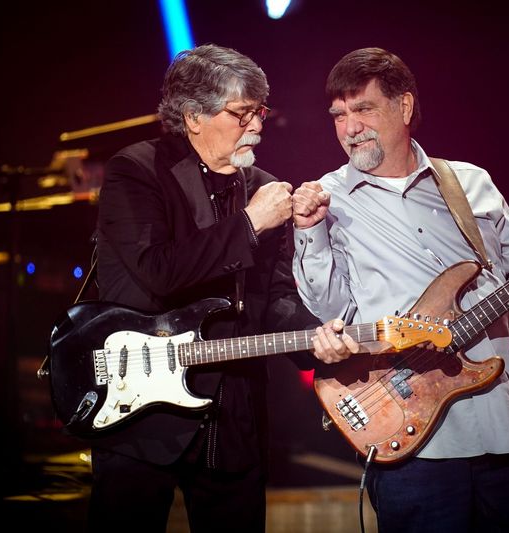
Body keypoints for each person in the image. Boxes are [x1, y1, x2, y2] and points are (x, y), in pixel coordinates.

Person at [291, 47, 509, 532]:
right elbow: (327, 308)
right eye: (339, 115)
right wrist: (309, 231)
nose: (349, 128)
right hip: (410, 440)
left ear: (405, 107)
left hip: (504, 429)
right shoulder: (326, 199)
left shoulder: (471, 183)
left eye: (363, 109)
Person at [91, 44, 355, 533]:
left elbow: (275, 298)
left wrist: (318, 339)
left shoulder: (265, 186)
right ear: (193, 116)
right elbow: (158, 271)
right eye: (242, 113)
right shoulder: (138, 170)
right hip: (139, 406)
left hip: (233, 414)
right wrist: (250, 224)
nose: (256, 125)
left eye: (260, 111)